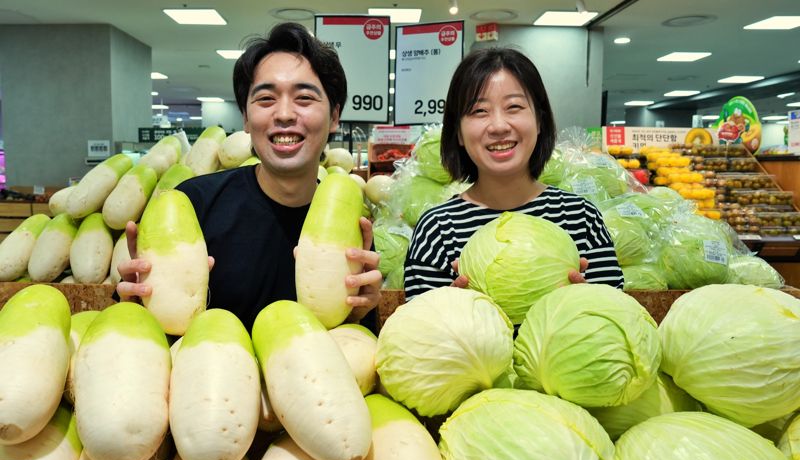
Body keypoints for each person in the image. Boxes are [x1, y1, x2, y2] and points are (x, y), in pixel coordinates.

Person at [117, 22, 382, 331]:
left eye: (304, 98)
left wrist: (358, 313)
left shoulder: (349, 221)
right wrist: (137, 305)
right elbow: (147, 328)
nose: (284, 114)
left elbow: (355, 339)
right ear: (245, 117)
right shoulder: (193, 204)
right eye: (266, 99)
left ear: (334, 116)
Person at [404, 47, 623, 298]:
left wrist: (587, 302)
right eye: (479, 111)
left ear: (539, 121)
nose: (498, 126)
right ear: (459, 134)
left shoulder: (582, 219)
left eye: (514, 106)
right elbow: (420, 329)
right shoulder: (437, 230)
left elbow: (613, 318)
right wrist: (451, 309)